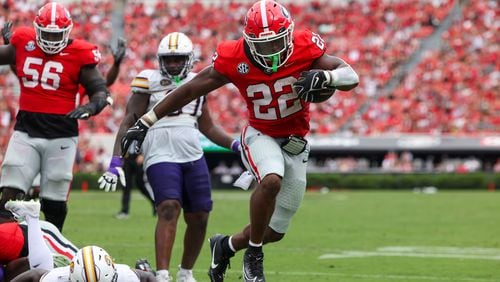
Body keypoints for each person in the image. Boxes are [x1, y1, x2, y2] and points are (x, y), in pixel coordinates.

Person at [120, 1, 359, 281]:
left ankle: (226, 245)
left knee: (275, 231)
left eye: (276, 43)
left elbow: (350, 75)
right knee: (270, 180)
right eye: (263, 44)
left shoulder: (304, 45)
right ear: (248, 40)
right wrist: (147, 120)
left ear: (289, 35)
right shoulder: (235, 56)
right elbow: (190, 90)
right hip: (260, 133)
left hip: (296, 142)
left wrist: (326, 76)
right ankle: (254, 256)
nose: (270, 51)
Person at [99, 31, 240, 282]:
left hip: (192, 153)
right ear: (160, 60)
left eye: (178, 59)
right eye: (169, 59)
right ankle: (163, 274)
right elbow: (128, 121)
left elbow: (208, 127)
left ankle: (186, 273)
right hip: (159, 152)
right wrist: (116, 161)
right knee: (168, 207)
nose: (173, 64)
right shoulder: (147, 80)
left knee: (200, 215)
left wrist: (235, 144)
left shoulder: (199, 81)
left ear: (189, 59)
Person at [0, 2, 114, 231]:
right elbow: (8, 58)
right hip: (27, 129)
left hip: (62, 133)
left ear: (67, 31)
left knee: (54, 200)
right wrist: (9, 46)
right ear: (36, 29)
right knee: (8, 194)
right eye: (47, 35)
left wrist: (93, 106)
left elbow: (100, 90)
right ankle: (6, 248)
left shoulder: (80, 53)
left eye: (56, 35)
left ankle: (51, 249)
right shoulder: (24, 41)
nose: (51, 41)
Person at [3, 200, 155, 282]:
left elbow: (147, 278)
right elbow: (35, 275)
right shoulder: (58, 277)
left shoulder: (125, 276)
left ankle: (145, 267)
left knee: (147, 272)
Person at [115, 152, 155, 220]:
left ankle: (155, 204)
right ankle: (125, 211)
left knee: (141, 185)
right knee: (126, 185)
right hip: (128, 158)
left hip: (138, 157)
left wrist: (143, 155)